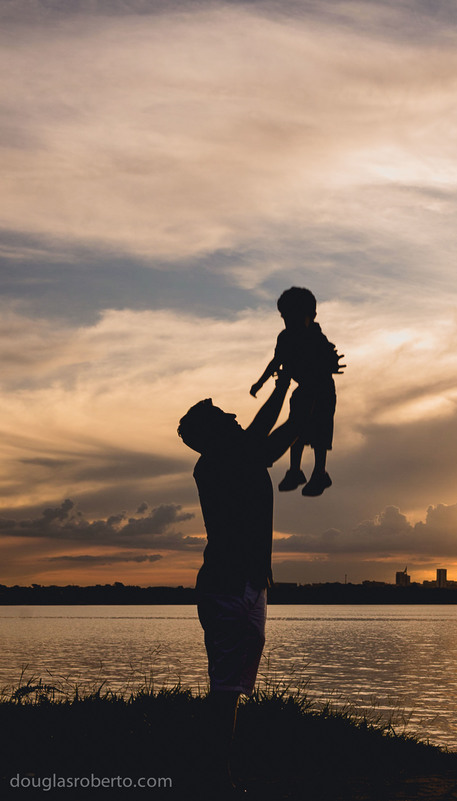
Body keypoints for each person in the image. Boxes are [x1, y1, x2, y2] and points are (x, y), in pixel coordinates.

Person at [178, 372, 301, 791]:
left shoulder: (237, 454)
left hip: (249, 586)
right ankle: (215, 776)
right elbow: (263, 435)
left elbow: (264, 440)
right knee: (225, 690)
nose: (232, 414)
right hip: (226, 589)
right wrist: (288, 394)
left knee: (231, 689)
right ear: (211, 433)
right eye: (222, 415)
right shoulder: (216, 462)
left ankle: (214, 770)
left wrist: (294, 403)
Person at [250, 286, 343, 496]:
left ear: (311, 316)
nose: (289, 322)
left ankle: (319, 473)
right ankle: (295, 470)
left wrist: (329, 365)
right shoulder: (285, 338)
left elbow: (328, 361)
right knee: (297, 430)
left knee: (320, 432)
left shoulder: (317, 339)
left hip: (323, 390)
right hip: (302, 390)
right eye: (285, 317)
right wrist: (260, 382)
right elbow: (277, 361)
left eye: (295, 317)